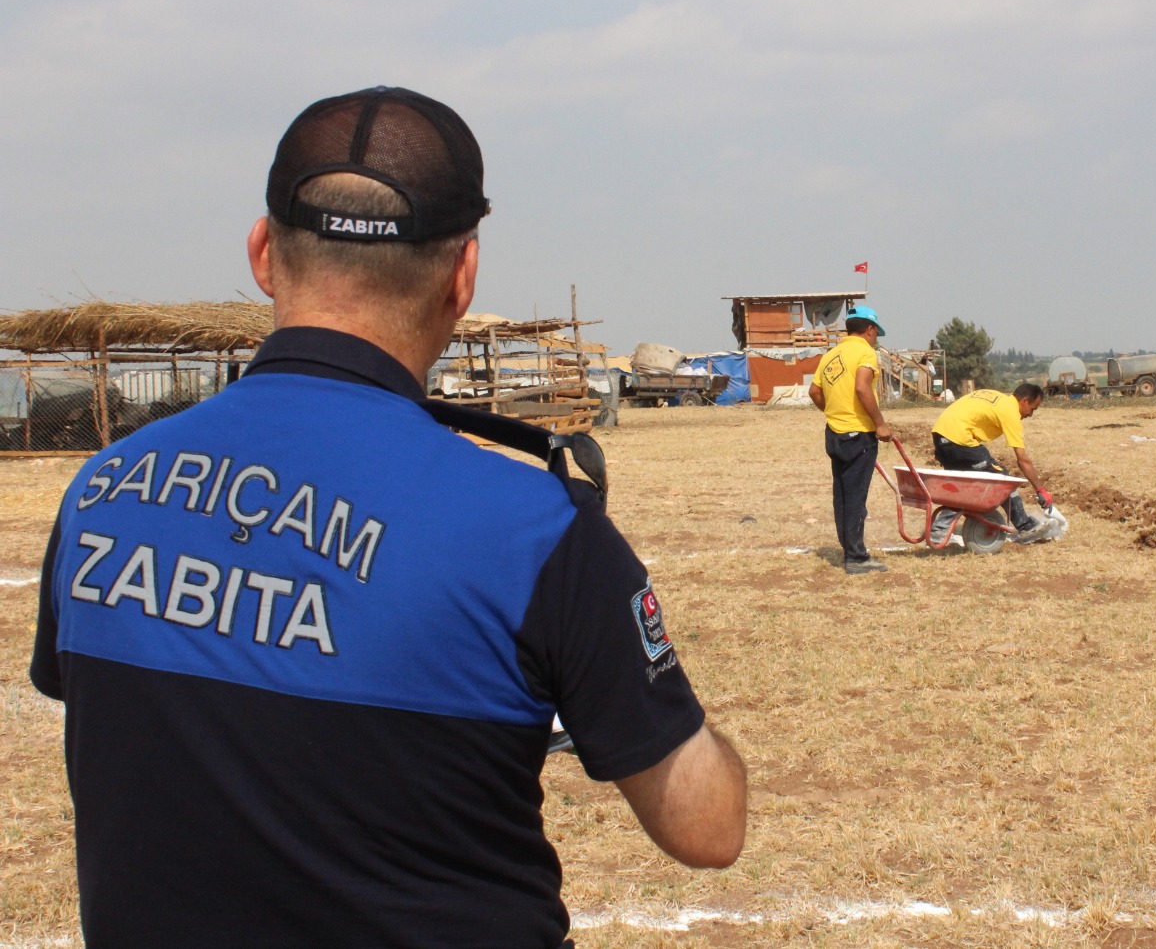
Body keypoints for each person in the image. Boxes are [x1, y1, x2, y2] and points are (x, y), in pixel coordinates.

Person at [29, 86, 746, 949]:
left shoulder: (104, 487)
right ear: (463, 275)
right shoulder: (532, 530)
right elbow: (708, 828)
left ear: (262, 252)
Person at [809, 306, 894, 574]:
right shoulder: (865, 353)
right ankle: (856, 558)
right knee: (856, 497)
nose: (875, 338)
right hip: (859, 435)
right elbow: (861, 387)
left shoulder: (831, 355)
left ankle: (849, 549)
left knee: (843, 496)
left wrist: (834, 411)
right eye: (875, 333)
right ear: (869, 330)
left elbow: (814, 391)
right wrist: (880, 424)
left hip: (835, 434)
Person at [928, 382, 1063, 545]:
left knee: (964, 485)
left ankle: (939, 530)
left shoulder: (998, 397)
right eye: (1033, 409)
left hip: (940, 435)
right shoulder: (1010, 412)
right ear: (1024, 401)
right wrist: (1040, 489)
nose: (1030, 414)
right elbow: (1022, 459)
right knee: (1002, 479)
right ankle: (1025, 526)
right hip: (959, 439)